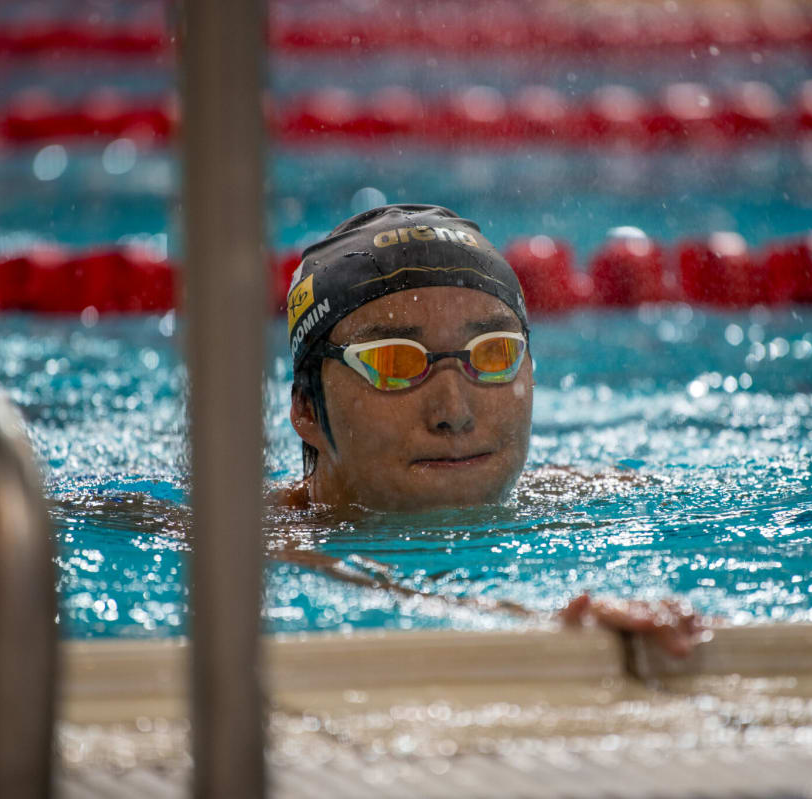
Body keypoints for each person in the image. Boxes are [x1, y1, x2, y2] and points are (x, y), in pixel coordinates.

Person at [273, 204, 704, 656]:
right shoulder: (243, 539)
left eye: (493, 355)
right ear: (306, 410)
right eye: (394, 362)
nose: (453, 413)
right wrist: (543, 624)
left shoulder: (613, 500)